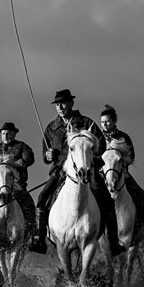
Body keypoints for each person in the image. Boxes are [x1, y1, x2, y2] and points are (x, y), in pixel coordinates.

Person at [28, 89, 126, 256]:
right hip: (60, 171)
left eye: (63, 103)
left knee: (107, 200)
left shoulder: (87, 123)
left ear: (71, 103)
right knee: (42, 198)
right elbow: (45, 154)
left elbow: (101, 146)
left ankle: (114, 243)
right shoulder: (51, 128)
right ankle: (39, 238)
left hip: (87, 171)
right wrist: (47, 155)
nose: (60, 107)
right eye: (57, 104)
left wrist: (91, 154)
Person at [100, 104, 144, 241]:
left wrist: (121, 164)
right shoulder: (98, 138)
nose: (104, 124)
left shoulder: (123, 137)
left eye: (107, 121)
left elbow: (131, 157)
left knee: (139, 193)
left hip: (121, 174)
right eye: (102, 122)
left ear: (114, 121)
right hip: (102, 175)